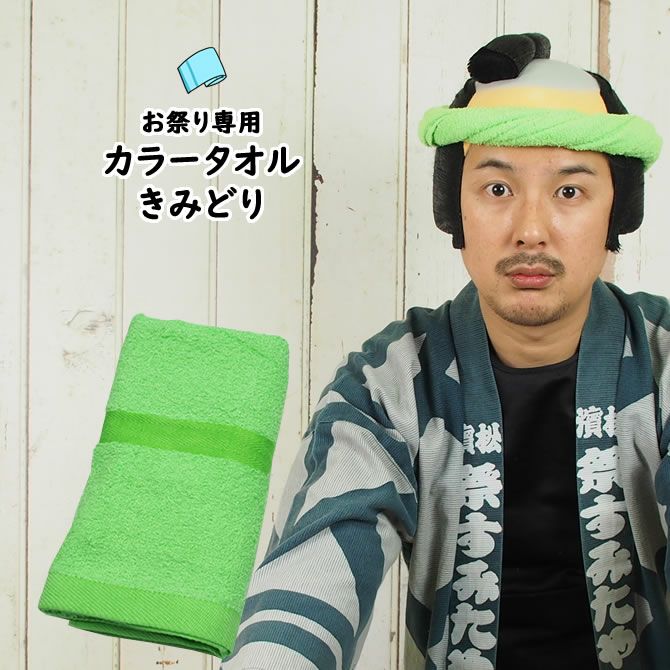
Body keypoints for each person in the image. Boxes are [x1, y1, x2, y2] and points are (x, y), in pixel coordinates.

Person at [220, 33, 670, 670]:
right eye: (497, 189)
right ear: (452, 208)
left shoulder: (664, 362)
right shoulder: (390, 384)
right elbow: (312, 573)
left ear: (617, 213)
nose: (531, 230)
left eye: (570, 192)